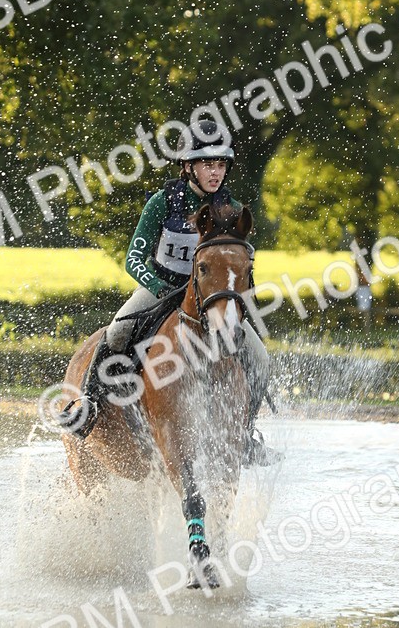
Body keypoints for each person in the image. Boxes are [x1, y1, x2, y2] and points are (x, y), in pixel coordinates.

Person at [68, 118, 271, 464]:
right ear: (188, 166)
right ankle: (87, 405)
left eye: (221, 164)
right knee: (117, 331)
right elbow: (134, 258)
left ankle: (245, 433)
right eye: (208, 164)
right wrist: (157, 285)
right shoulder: (162, 203)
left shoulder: (230, 210)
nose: (215, 172)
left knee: (259, 357)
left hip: (208, 299)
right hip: (161, 287)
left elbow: (237, 262)